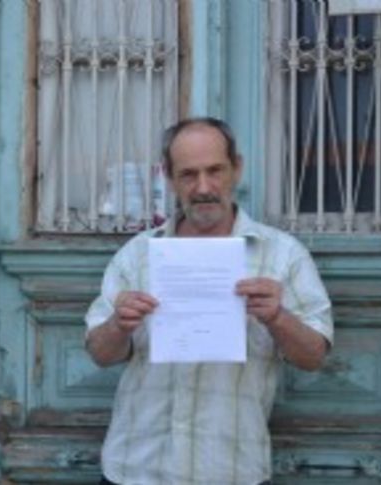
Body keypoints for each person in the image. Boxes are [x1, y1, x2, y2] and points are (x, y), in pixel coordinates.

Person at [85, 117, 333, 485]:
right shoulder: (137, 254)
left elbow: (314, 357)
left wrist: (278, 318)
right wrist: (118, 325)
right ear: (169, 178)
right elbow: (99, 353)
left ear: (237, 168)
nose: (203, 187)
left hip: (230, 470)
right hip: (136, 467)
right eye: (188, 175)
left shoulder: (283, 254)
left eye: (215, 171)